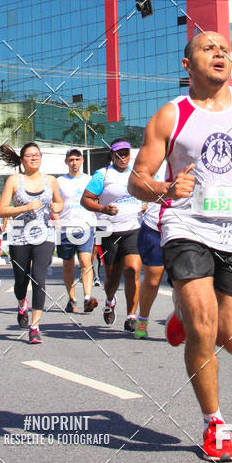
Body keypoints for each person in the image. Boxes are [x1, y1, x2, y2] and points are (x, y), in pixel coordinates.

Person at [129, 30, 232, 461]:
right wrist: (163, 187)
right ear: (188, 65)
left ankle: (180, 311)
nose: (219, 53)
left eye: (223, 49)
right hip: (187, 226)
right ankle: (214, 423)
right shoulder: (170, 116)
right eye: (208, 48)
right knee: (203, 326)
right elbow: (137, 179)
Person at [0, 142, 63, 344]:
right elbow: (1, 210)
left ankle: (35, 326)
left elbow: (60, 203)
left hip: (44, 235)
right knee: (20, 281)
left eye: (37, 154)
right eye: (29, 155)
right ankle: (21, 304)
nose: (34, 157)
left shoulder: (51, 180)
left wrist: (56, 207)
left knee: (39, 279)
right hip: (19, 235)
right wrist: (25, 207)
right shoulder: (14, 181)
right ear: (22, 159)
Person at [81, 139, 142, 331]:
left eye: (125, 152)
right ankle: (110, 300)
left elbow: (148, 192)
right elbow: (85, 199)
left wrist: (146, 203)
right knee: (112, 276)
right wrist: (103, 209)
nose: (122, 156)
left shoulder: (137, 173)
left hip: (133, 229)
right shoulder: (103, 175)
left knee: (132, 271)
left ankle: (131, 316)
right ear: (112, 155)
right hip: (107, 230)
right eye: (118, 153)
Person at [56, 148, 98, 314]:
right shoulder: (59, 181)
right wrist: (56, 219)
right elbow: (55, 203)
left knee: (85, 261)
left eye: (77, 159)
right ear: (66, 161)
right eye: (71, 159)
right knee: (67, 265)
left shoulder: (90, 180)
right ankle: (72, 299)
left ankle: (87, 298)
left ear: (82, 161)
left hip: (85, 226)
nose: (74, 163)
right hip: (65, 227)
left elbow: (97, 199)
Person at [133, 162, 167, 339]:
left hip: (183, 228)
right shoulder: (155, 162)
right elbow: (136, 184)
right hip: (154, 227)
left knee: (184, 280)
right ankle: (143, 318)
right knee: (153, 280)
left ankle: (184, 321)